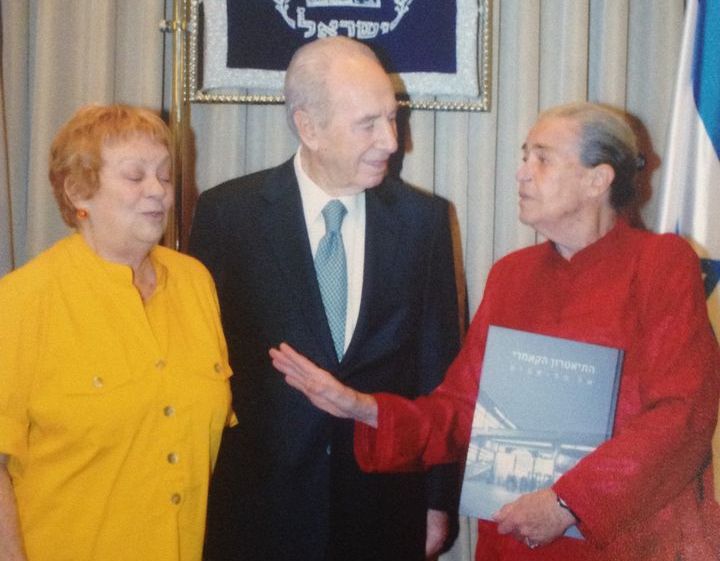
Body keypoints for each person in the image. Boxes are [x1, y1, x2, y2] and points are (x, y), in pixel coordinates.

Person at [270, 102, 720, 561]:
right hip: (516, 540)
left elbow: (682, 415)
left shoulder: (661, 264)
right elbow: (462, 409)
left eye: (542, 158)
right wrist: (366, 410)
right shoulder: (513, 275)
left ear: (597, 180)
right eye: (525, 156)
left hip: (626, 539)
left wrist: (568, 503)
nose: (522, 172)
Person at [189, 36, 461, 561]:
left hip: (383, 508)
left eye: (393, 118)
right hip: (259, 512)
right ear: (308, 127)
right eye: (368, 124)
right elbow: (200, 364)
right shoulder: (230, 215)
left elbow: (439, 370)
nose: (390, 141)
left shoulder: (423, 222)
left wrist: (437, 500)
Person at [0, 104, 235, 561]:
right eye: (135, 176)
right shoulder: (23, 300)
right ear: (78, 191)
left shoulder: (195, 283)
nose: (159, 192)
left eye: (165, 176)